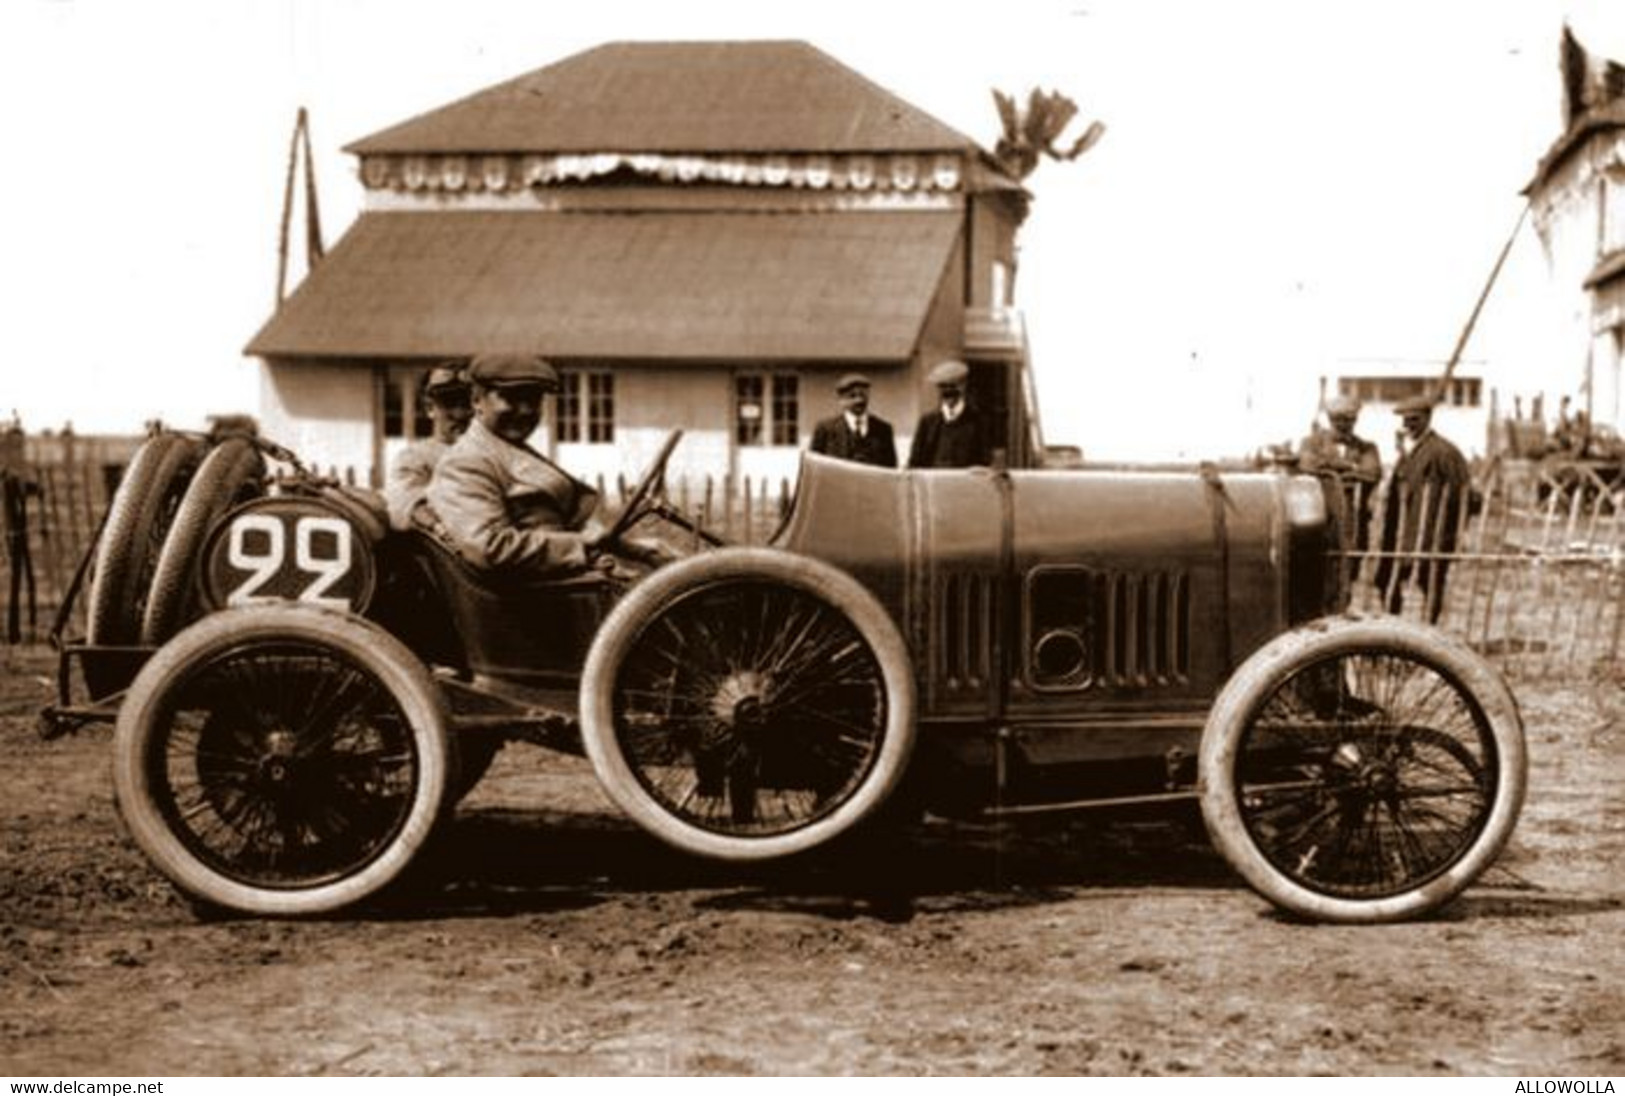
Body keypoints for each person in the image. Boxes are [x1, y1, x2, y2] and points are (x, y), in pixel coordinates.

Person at [1373, 395, 1472, 623]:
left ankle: (1429, 630)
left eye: (1414, 420)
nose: (1408, 425)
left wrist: (1451, 533)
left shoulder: (1443, 451)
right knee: (1385, 578)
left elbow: (1463, 495)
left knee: (1430, 583)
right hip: (1402, 535)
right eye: (1405, 421)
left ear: (1428, 418)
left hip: (1430, 535)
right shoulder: (1410, 452)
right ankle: (1394, 626)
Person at [1298, 394, 1381, 584]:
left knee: (1349, 572)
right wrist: (1350, 467)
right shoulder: (1311, 443)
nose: (1344, 425)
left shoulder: (1366, 447)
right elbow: (1308, 466)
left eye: (1350, 420)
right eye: (1339, 420)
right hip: (1319, 518)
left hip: (1354, 522)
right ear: (1330, 419)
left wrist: (1332, 468)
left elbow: (1372, 472)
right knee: (1317, 572)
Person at [384, 363, 473, 530]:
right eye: (449, 404)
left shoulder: (495, 454)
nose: (460, 414)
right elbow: (406, 504)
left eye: (467, 404)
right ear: (430, 408)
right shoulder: (414, 458)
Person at [907, 359, 989, 468]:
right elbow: (915, 463)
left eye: (952, 386)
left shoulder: (978, 422)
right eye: (943, 387)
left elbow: (985, 463)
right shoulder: (928, 423)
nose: (947, 392)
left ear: (963, 386)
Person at [809, 373, 897, 467]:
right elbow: (814, 468)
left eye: (863, 395)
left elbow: (890, 470)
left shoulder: (883, 430)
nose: (859, 400)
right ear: (841, 400)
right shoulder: (825, 430)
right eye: (852, 396)